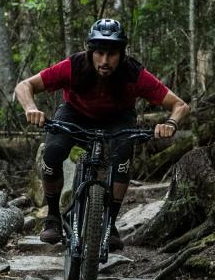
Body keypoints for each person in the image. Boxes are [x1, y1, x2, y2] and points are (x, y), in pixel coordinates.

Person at [14, 18, 189, 247]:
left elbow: (180, 106)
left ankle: (109, 225)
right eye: (99, 53)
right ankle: (53, 217)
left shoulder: (133, 73)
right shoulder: (74, 66)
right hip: (74, 114)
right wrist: (31, 108)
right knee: (53, 152)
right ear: (91, 51)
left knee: (124, 152)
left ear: (122, 54)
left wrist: (171, 124)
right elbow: (24, 86)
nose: (105, 61)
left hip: (117, 118)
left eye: (112, 54)